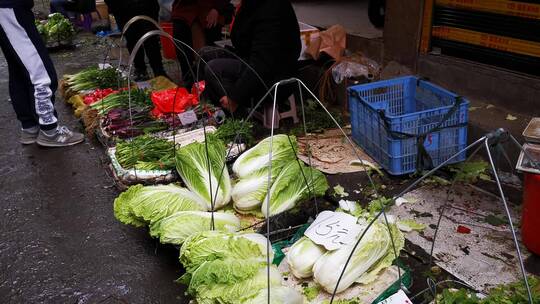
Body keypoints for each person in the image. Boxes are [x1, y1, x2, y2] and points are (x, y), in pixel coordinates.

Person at [0, 0, 85, 147]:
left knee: (19, 71)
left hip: (7, 9)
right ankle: (50, 131)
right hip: (10, 7)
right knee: (41, 74)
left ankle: (30, 127)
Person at [201, 0, 301, 114]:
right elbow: (241, 42)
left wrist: (235, 97)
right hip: (252, 59)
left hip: (273, 76)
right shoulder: (250, 4)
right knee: (205, 54)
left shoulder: (271, 9)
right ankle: (209, 107)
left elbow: (261, 64)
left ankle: (238, 114)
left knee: (214, 68)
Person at [171, 0, 232, 82]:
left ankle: (207, 82)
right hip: (182, 10)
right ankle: (188, 81)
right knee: (183, 53)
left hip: (208, 11)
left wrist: (217, 9)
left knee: (208, 56)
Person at [105, 0, 167, 81]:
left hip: (146, 7)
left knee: (151, 38)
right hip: (122, 9)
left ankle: (158, 70)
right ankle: (140, 69)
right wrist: (114, 7)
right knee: (132, 39)